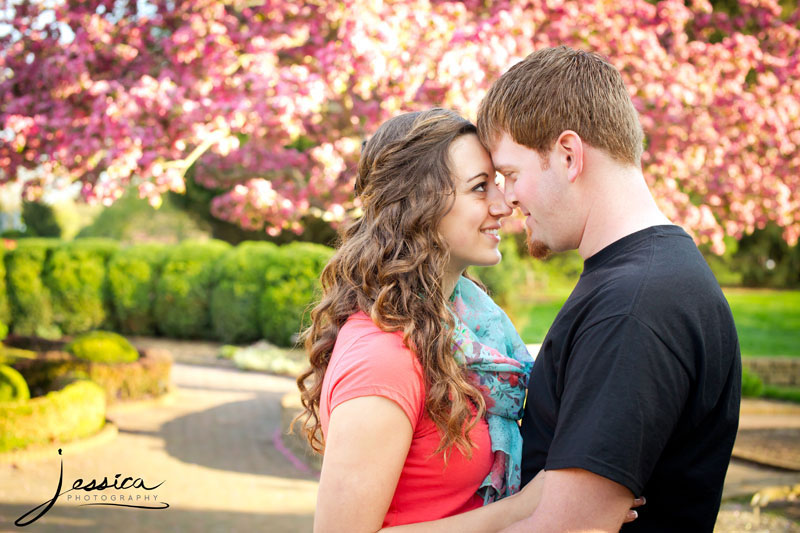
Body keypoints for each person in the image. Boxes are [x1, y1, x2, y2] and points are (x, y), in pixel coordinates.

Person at [294, 108, 642, 531]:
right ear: (417, 206)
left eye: (498, 183)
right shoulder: (383, 358)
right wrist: (533, 508)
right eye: (480, 188)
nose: (503, 204)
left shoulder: (467, 329)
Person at [476, 46, 742, 532]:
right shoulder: (652, 277)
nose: (507, 198)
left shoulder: (634, 306)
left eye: (512, 175)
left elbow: (568, 529)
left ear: (569, 155)